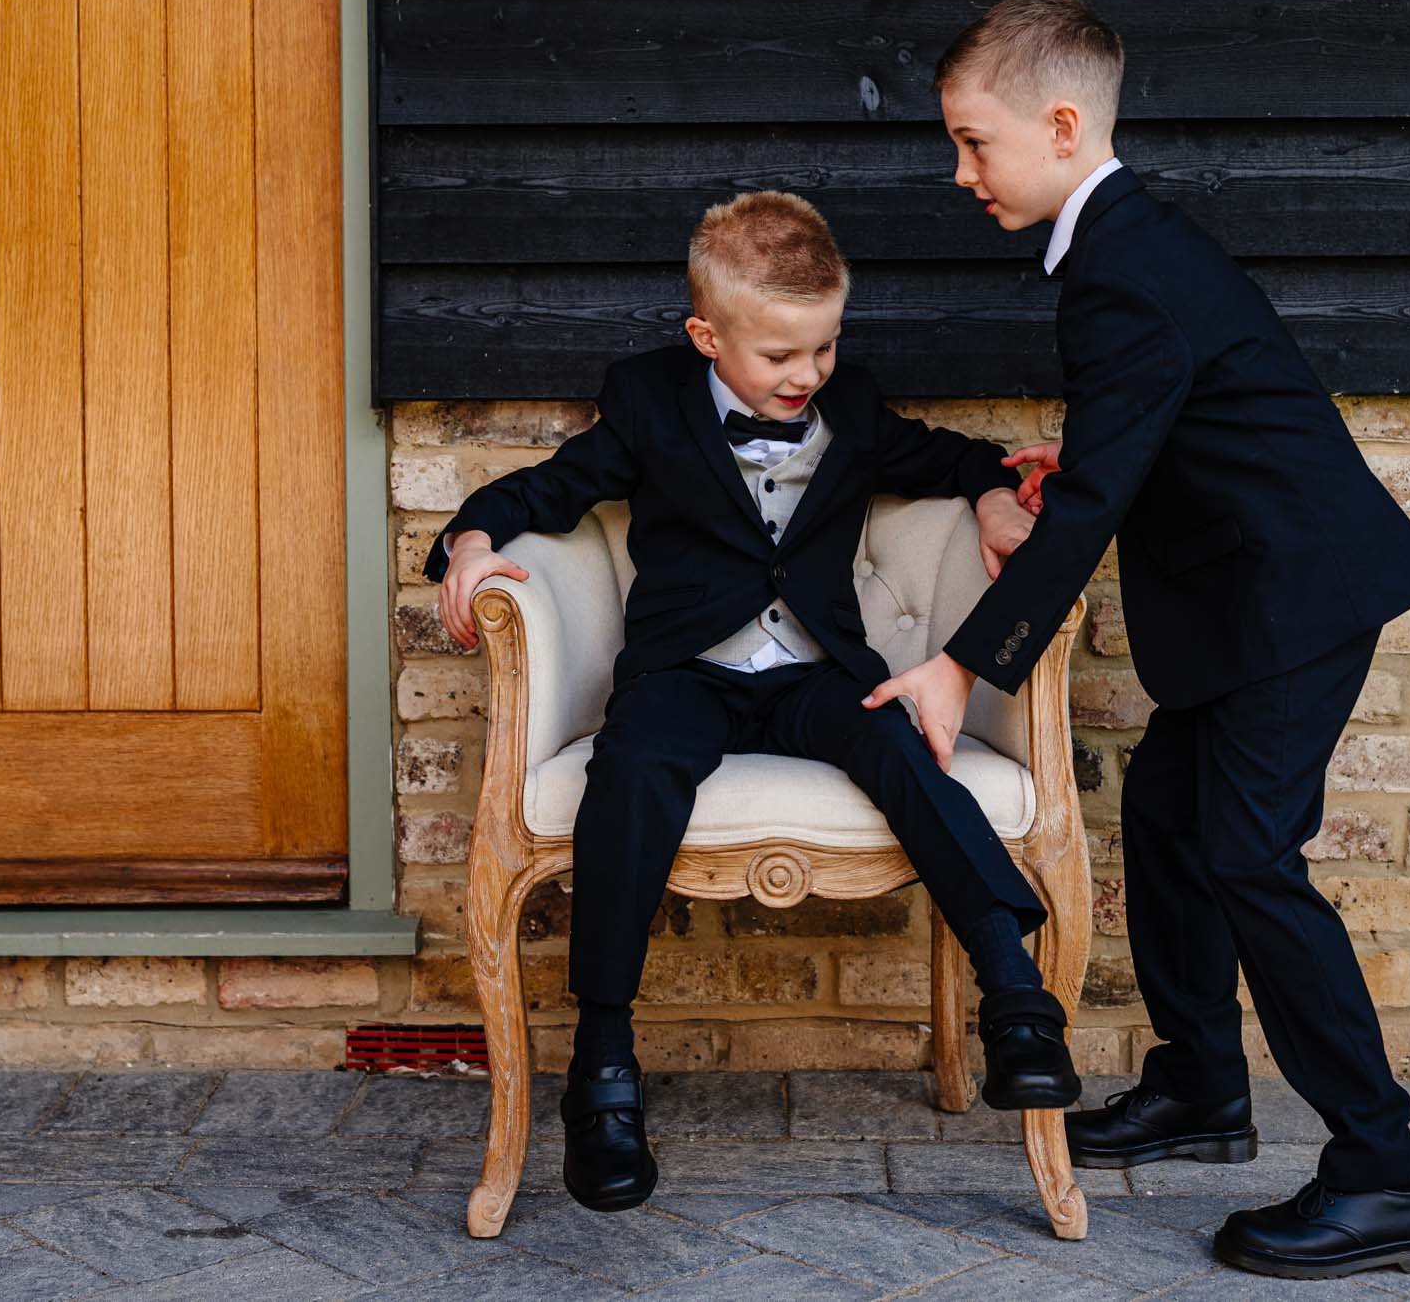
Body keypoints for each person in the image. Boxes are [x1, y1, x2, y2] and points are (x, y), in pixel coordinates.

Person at [865, 0, 1410, 1281]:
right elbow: (1157, 432)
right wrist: (1074, 465)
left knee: (1251, 859)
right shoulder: (1119, 250)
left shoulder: (1119, 269)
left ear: (1062, 123)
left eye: (975, 142)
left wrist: (961, 659)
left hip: (1291, 599)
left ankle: (1387, 1172)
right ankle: (1201, 1086)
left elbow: (1099, 497)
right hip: (1252, 593)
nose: (959, 171)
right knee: (1171, 826)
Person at [429, 190, 1079, 1214]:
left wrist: (997, 495)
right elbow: (545, 490)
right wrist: (470, 540)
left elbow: (948, 456)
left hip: (817, 668)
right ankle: (603, 1064)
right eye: (780, 356)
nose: (805, 375)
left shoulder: (850, 405)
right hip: (684, 670)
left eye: (820, 349)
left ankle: (1014, 995)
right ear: (706, 335)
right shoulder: (646, 398)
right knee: (631, 769)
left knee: (908, 750)